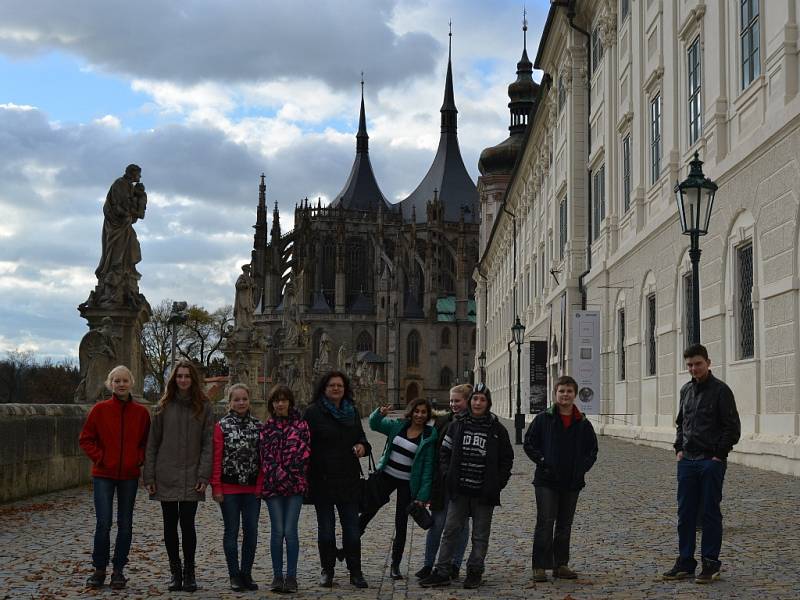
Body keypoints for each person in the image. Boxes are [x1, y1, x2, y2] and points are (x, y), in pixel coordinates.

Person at [420, 383, 514, 589]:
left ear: (488, 403)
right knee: (450, 530)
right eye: (475, 399)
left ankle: (474, 571)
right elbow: (444, 452)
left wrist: (498, 483)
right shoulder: (458, 425)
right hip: (459, 491)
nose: (478, 403)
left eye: (482, 399)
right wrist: (447, 476)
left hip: (484, 493)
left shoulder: (497, 429)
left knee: (480, 535)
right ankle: (442, 571)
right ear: (470, 402)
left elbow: (507, 459)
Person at [663, 344, 740, 584]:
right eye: (689, 365)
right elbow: (681, 423)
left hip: (710, 461)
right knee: (685, 514)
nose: (693, 369)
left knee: (709, 513)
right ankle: (685, 561)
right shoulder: (686, 390)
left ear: (708, 362)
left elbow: (732, 428)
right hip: (687, 461)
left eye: (697, 363)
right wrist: (678, 449)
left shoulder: (721, 391)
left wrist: (718, 455)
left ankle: (710, 563)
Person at [144, 360, 213, 593]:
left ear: (193, 379)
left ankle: (189, 572)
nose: (183, 380)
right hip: (166, 473)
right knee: (169, 526)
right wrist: (149, 476)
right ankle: (175, 571)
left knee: (188, 525)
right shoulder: (163, 406)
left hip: (192, 473)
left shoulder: (203, 406)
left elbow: (208, 444)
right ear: (174, 379)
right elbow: (152, 444)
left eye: (187, 376)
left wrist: (204, 474)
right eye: (179, 376)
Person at [79, 365, 151, 590]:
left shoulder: (141, 413)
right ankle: (99, 569)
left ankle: (119, 569)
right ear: (110, 384)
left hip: (129, 474)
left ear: (131, 383)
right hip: (103, 474)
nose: (121, 384)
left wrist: (137, 459)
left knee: (125, 524)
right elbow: (86, 439)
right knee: (103, 523)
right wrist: (100, 458)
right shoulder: (100, 410)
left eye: (125, 380)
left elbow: (146, 443)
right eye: (116, 381)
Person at [523, 375, 598, 582]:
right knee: (545, 523)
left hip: (572, 481)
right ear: (555, 393)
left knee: (565, 524)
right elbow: (529, 443)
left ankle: (560, 564)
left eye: (569, 391)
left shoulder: (582, 422)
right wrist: (543, 460)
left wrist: (581, 468)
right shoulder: (543, 418)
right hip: (546, 480)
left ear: (575, 395)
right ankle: (539, 565)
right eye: (561, 391)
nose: (565, 395)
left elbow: (592, 450)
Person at [303, 370, 371, 589]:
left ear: (345, 389)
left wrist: (362, 446)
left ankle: (356, 571)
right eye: (332, 385)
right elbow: (303, 445)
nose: (336, 389)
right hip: (322, 479)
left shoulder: (351, 411)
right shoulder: (312, 413)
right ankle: (328, 569)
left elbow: (362, 438)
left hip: (348, 479)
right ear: (324, 388)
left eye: (339, 386)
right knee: (326, 529)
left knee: (351, 529)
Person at [359, 398, 438, 580]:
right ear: (411, 412)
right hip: (386, 476)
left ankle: (395, 565)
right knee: (367, 512)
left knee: (400, 525)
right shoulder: (398, 426)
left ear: (428, 415)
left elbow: (427, 468)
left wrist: (423, 495)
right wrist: (379, 413)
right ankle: (347, 549)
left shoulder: (429, 435)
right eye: (416, 411)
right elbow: (374, 424)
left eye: (423, 412)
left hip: (407, 484)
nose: (419, 415)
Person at [415, 384, 472, 581]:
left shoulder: (474, 423)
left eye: (457, 401)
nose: (453, 404)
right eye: (451, 401)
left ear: (468, 400)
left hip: (464, 483)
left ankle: (455, 565)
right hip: (442, 481)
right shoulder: (442, 421)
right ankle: (428, 564)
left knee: (461, 526)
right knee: (437, 524)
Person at [258, 384, 311, 594]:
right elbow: (265, 458)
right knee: (277, 531)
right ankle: (277, 575)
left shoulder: (301, 426)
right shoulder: (267, 428)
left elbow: (304, 453)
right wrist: (280, 475)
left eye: (284, 400)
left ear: (290, 402)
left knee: (290, 531)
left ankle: (291, 576)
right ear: (272, 404)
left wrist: (289, 475)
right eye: (276, 400)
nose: (280, 404)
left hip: (295, 486)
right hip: (273, 488)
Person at [210, 383, 261, 592]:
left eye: (244, 399)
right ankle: (234, 575)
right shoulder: (221, 426)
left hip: (252, 489)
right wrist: (216, 487)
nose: (241, 403)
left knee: (251, 531)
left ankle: (246, 573)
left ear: (249, 400)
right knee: (231, 532)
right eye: (236, 399)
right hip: (229, 488)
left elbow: (263, 459)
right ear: (229, 402)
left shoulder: (258, 425)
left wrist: (260, 486)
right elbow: (216, 458)